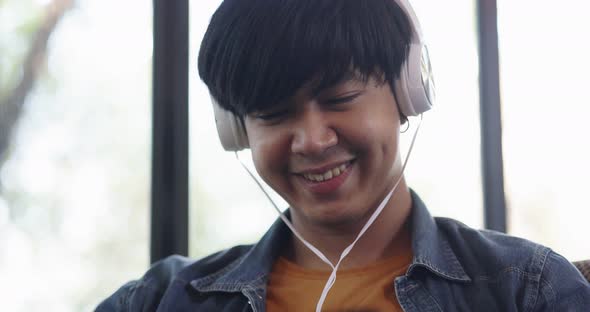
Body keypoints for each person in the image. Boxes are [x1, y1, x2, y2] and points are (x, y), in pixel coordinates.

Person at [97, 0, 590, 311]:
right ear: (236, 130)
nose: (312, 140)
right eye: (272, 114)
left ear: (407, 91)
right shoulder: (160, 299)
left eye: (340, 99)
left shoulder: (526, 290)